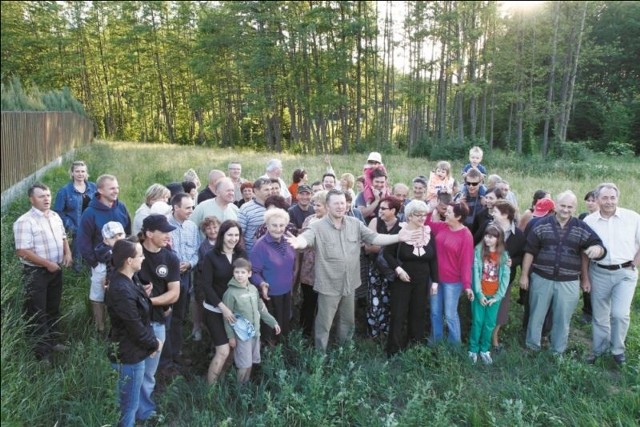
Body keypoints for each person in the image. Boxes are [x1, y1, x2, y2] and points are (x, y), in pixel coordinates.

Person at [284, 189, 422, 352]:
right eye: (336, 203)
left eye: (343, 203)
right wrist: (298, 242)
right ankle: (319, 355)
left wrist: (398, 237)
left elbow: (374, 238)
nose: (340, 206)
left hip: (350, 283)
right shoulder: (317, 226)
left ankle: (345, 352)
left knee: (347, 321)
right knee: (324, 323)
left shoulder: (355, 223)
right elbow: (305, 238)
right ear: (328, 206)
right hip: (329, 284)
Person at [520, 191, 606, 355]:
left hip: (569, 281)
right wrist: (524, 275)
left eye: (570, 207)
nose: (566, 210)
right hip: (541, 278)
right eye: (563, 205)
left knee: (562, 318)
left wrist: (597, 249)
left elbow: (597, 244)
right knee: (536, 315)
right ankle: (532, 347)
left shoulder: (581, 227)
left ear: (575, 208)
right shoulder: (541, 224)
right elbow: (529, 251)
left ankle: (557, 350)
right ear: (556, 205)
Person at [14, 183, 72, 362]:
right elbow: (22, 251)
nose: (46, 199)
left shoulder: (54, 216)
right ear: (31, 199)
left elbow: (63, 237)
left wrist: (67, 252)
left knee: (53, 308)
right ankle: (42, 353)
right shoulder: (25, 221)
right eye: (41, 196)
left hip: (55, 270)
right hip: (36, 273)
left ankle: (53, 341)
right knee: (37, 312)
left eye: (48, 195)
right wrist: (47, 264)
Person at [105, 239, 161, 427]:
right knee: (128, 406)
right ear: (129, 260)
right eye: (140, 255)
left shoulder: (129, 279)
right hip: (129, 355)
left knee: (128, 403)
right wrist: (153, 343)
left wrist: (143, 295)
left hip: (133, 350)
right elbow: (134, 325)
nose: (144, 258)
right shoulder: (121, 288)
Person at [583, 183, 640, 366]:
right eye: (605, 198)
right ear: (597, 199)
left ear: (618, 198)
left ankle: (618, 351)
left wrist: (635, 263)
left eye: (612, 197)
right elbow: (583, 253)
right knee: (600, 315)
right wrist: (585, 276)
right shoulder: (589, 221)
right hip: (598, 272)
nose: (609, 202)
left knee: (619, 314)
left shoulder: (632, 218)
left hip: (625, 273)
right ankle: (599, 350)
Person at [136, 214, 180, 420]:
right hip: (132, 322)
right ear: (149, 233)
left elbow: (174, 293)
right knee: (133, 368)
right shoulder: (133, 252)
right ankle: (131, 409)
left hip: (157, 321)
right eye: (163, 231)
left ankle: (144, 413)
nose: (168, 235)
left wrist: (149, 301)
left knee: (149, 371)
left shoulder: (170, 257)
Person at [383, 200, 438, 356]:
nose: (422, 218)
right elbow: (387, 254)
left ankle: (415, 348)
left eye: (424, 215)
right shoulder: (400, 231)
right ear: (409, 216)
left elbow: (434, 259)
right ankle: (393, 350)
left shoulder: (428, 232)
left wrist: (435, 281)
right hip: (403, 279)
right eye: (417, 215)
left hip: (422, 280)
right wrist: (398, 270)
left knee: (418, 314)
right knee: (398, 314)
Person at [200, 220, 247, 384]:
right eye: (230, 235)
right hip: (215, 310)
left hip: (236, 310)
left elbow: (247, 280)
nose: (233, 239)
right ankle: (209, 393)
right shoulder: (211, 256)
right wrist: (223, 307)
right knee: (223, 350)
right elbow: (206, 285)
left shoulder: (241, 254)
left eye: (236, 235)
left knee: (233, 348)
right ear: (222, 235)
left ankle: (222, 380)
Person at [222, 258, 281, 383]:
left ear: (249, 274)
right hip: (242, 336)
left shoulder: (254, 289)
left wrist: (273, 322)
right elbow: (227, 317)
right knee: (243, 365)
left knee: (250, 363)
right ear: (233, 273)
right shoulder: (230, 293)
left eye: (243, 272)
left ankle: (246, 387)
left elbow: (261, 309)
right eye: (237, 272)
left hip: (255, 334)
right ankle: (239, 391)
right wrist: (231, 337)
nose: (240, 275)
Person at [426, 201, 475, 344]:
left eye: (449, 212)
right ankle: (436, 342)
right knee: (435, 312)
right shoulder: (442, 227)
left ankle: (454, 346)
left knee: (450, 314)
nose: (445, 213)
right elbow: (427, 224)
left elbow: (466, 262)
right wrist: (431, 209)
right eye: (445, 210)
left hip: (453, 282)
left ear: (459, 217)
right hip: (435, 279)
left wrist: (467, 285)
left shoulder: (465, 235)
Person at [250, 209, 296, 344]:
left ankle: (283, 354)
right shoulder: (260, 245)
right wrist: (262, 284)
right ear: (267, 226)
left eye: (282, 225)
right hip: (269, 295)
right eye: (274, 225)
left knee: (284, 325)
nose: (278, 229)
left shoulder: (288, 240)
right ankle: (270, 358)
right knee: (270, 330)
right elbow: (253, 271)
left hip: (286, 292)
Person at [165, 193, 199, 368]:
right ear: (176, 207)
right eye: (187, 207)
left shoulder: (192, 227)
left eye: (192, 207)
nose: (191, 211)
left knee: (179, 316)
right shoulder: (163, 225)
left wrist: (190, 264)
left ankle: (176, 352)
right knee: (166, 318)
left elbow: (196, 251)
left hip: (184, 276)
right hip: (166, 279)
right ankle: (165, 360)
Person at [468, 225, 510, 365]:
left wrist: (498, 296)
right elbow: (475, 275)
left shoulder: (503, 255)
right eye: (486, 235)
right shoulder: (478, 251)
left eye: (491, 237)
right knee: (478, 322)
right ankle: (473, 349)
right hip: (480, 294)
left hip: (495, 296)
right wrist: (479, 294)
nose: (487, 239)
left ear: (498, 239)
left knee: (489, 323)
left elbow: (505, 277)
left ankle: (484, 349)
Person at [488, 200, 526, 351]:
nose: (492, 214)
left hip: (505, 278)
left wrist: (513, 261)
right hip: (486, 276)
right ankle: (481, 334)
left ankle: (494, 336)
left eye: (495, 212)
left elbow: (522, 256)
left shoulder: (519, 235)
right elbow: (477, 246)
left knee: (501, 309)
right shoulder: (489, 229)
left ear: (505, 215)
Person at [364, 196, 403, 338]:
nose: (379, 211)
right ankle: (373, 335)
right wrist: (388, 248)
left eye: (383, 208)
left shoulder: (402, 226)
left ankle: (386, 334)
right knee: (374, 303)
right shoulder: (375, 221)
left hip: (392, 271)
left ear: (393, 210)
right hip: (375, 269)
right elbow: (368, 246)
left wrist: (379, 246)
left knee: (389, 302)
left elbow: (400, 250)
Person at [53, 160, 98, 271]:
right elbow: (58, 212)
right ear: (72, 173)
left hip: (93, 225)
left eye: (83, 171)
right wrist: (72, 227)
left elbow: (99, 204)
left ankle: (92, 271)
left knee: (93, 250)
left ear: (86, 173)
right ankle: (77, 274)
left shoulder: (93, 187)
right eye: (77, 171)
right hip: (76, 227)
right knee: (78, 252)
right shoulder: (65, 191)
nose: (80, 174)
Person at [297, 190, 328, 338]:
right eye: (314, 205)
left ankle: (322, 334)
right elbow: (302, 239)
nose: (315, 208)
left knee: (323, 304)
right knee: (308, 301)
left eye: (319, 205)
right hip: (308, 267)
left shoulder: (332, 221)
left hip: (325, 268)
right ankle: (305, 332)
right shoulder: (309, 219)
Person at [92, 221, 127, 335]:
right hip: (106, 279)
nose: (118, 239)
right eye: (113, 237)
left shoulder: (127, 248)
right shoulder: (108, 253)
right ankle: (101, 329)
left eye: (120, 235)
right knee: (101, 301)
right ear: (106, 240)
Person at [192, 216, 221, 341]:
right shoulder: (203, 247)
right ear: (204, 231)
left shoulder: (224, 241)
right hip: (208, 281)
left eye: (215, 227)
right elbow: (202, 266)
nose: (212, 230)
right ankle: (207, 334)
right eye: (208, 228)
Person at [578, 190, 598, 324]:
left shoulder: (602, 218)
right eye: (588, 200)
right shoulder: (583, 216)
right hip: (584, 255)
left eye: (593, 200)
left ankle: (598, 311)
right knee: (586, 281)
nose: (590, 203)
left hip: (598, 256)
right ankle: (587, 311)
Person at [238, 177, 272, 254]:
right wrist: (244, 255)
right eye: (266, 190)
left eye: (271, 189)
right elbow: (240, 234)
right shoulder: (245, 208)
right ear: (256, 191)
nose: (270, 192)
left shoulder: (275, 206)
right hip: (253, 255)